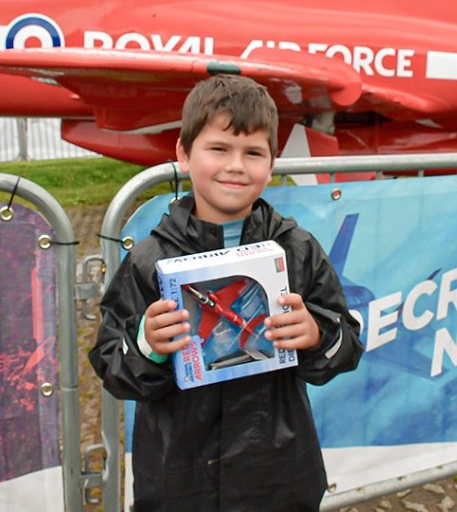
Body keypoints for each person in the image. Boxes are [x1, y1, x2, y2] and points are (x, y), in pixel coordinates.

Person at [89, 74, 363, 511]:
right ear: (183, 153)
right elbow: (112, 366)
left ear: (271, 164)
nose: (236, 165)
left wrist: (316, 335)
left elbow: (346, 345)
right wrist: (148, 344)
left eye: (253, 153)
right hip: (179, 483)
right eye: (219, 148)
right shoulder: (148, 260)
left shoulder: (298, 250)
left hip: (279, 481)